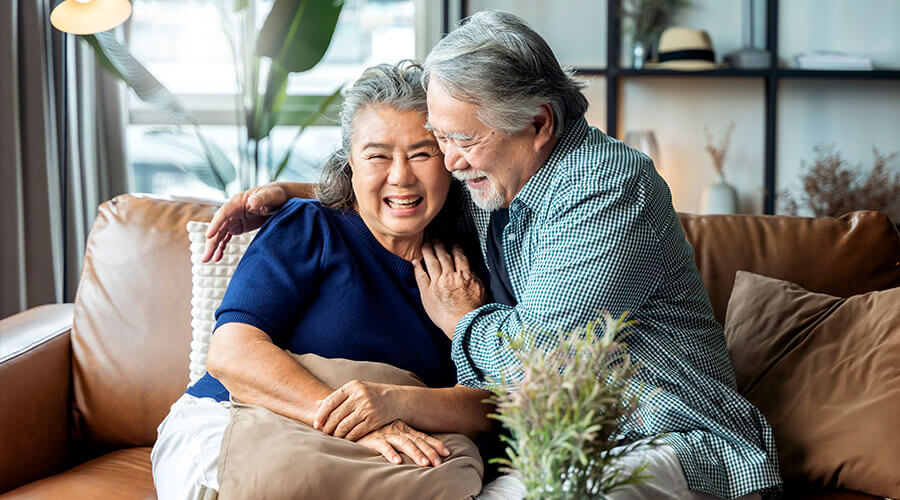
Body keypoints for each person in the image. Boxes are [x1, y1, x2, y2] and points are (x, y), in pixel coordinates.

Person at [205, 11, 784, 500]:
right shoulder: (497, 175)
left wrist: (463, 320)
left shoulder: (607, 188)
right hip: (567, 439)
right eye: (444, 138)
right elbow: (400, 184)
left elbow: (545, 367)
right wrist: (292, 194)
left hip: (670, 440)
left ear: (538, 123)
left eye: (459, 141)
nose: (451, 162)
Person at [151, 61, 498, 500]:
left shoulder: (469, 266)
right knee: (282, 480)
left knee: (453, 475)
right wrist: (355, 421)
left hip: (395, 446)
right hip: (253, 413)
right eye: (377, 156)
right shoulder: (310, 226)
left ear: (450, 159)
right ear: (349, 164)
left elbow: (492, 408)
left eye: (422, 153)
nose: (401, 176)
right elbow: (231, 353)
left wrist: (460, 327)